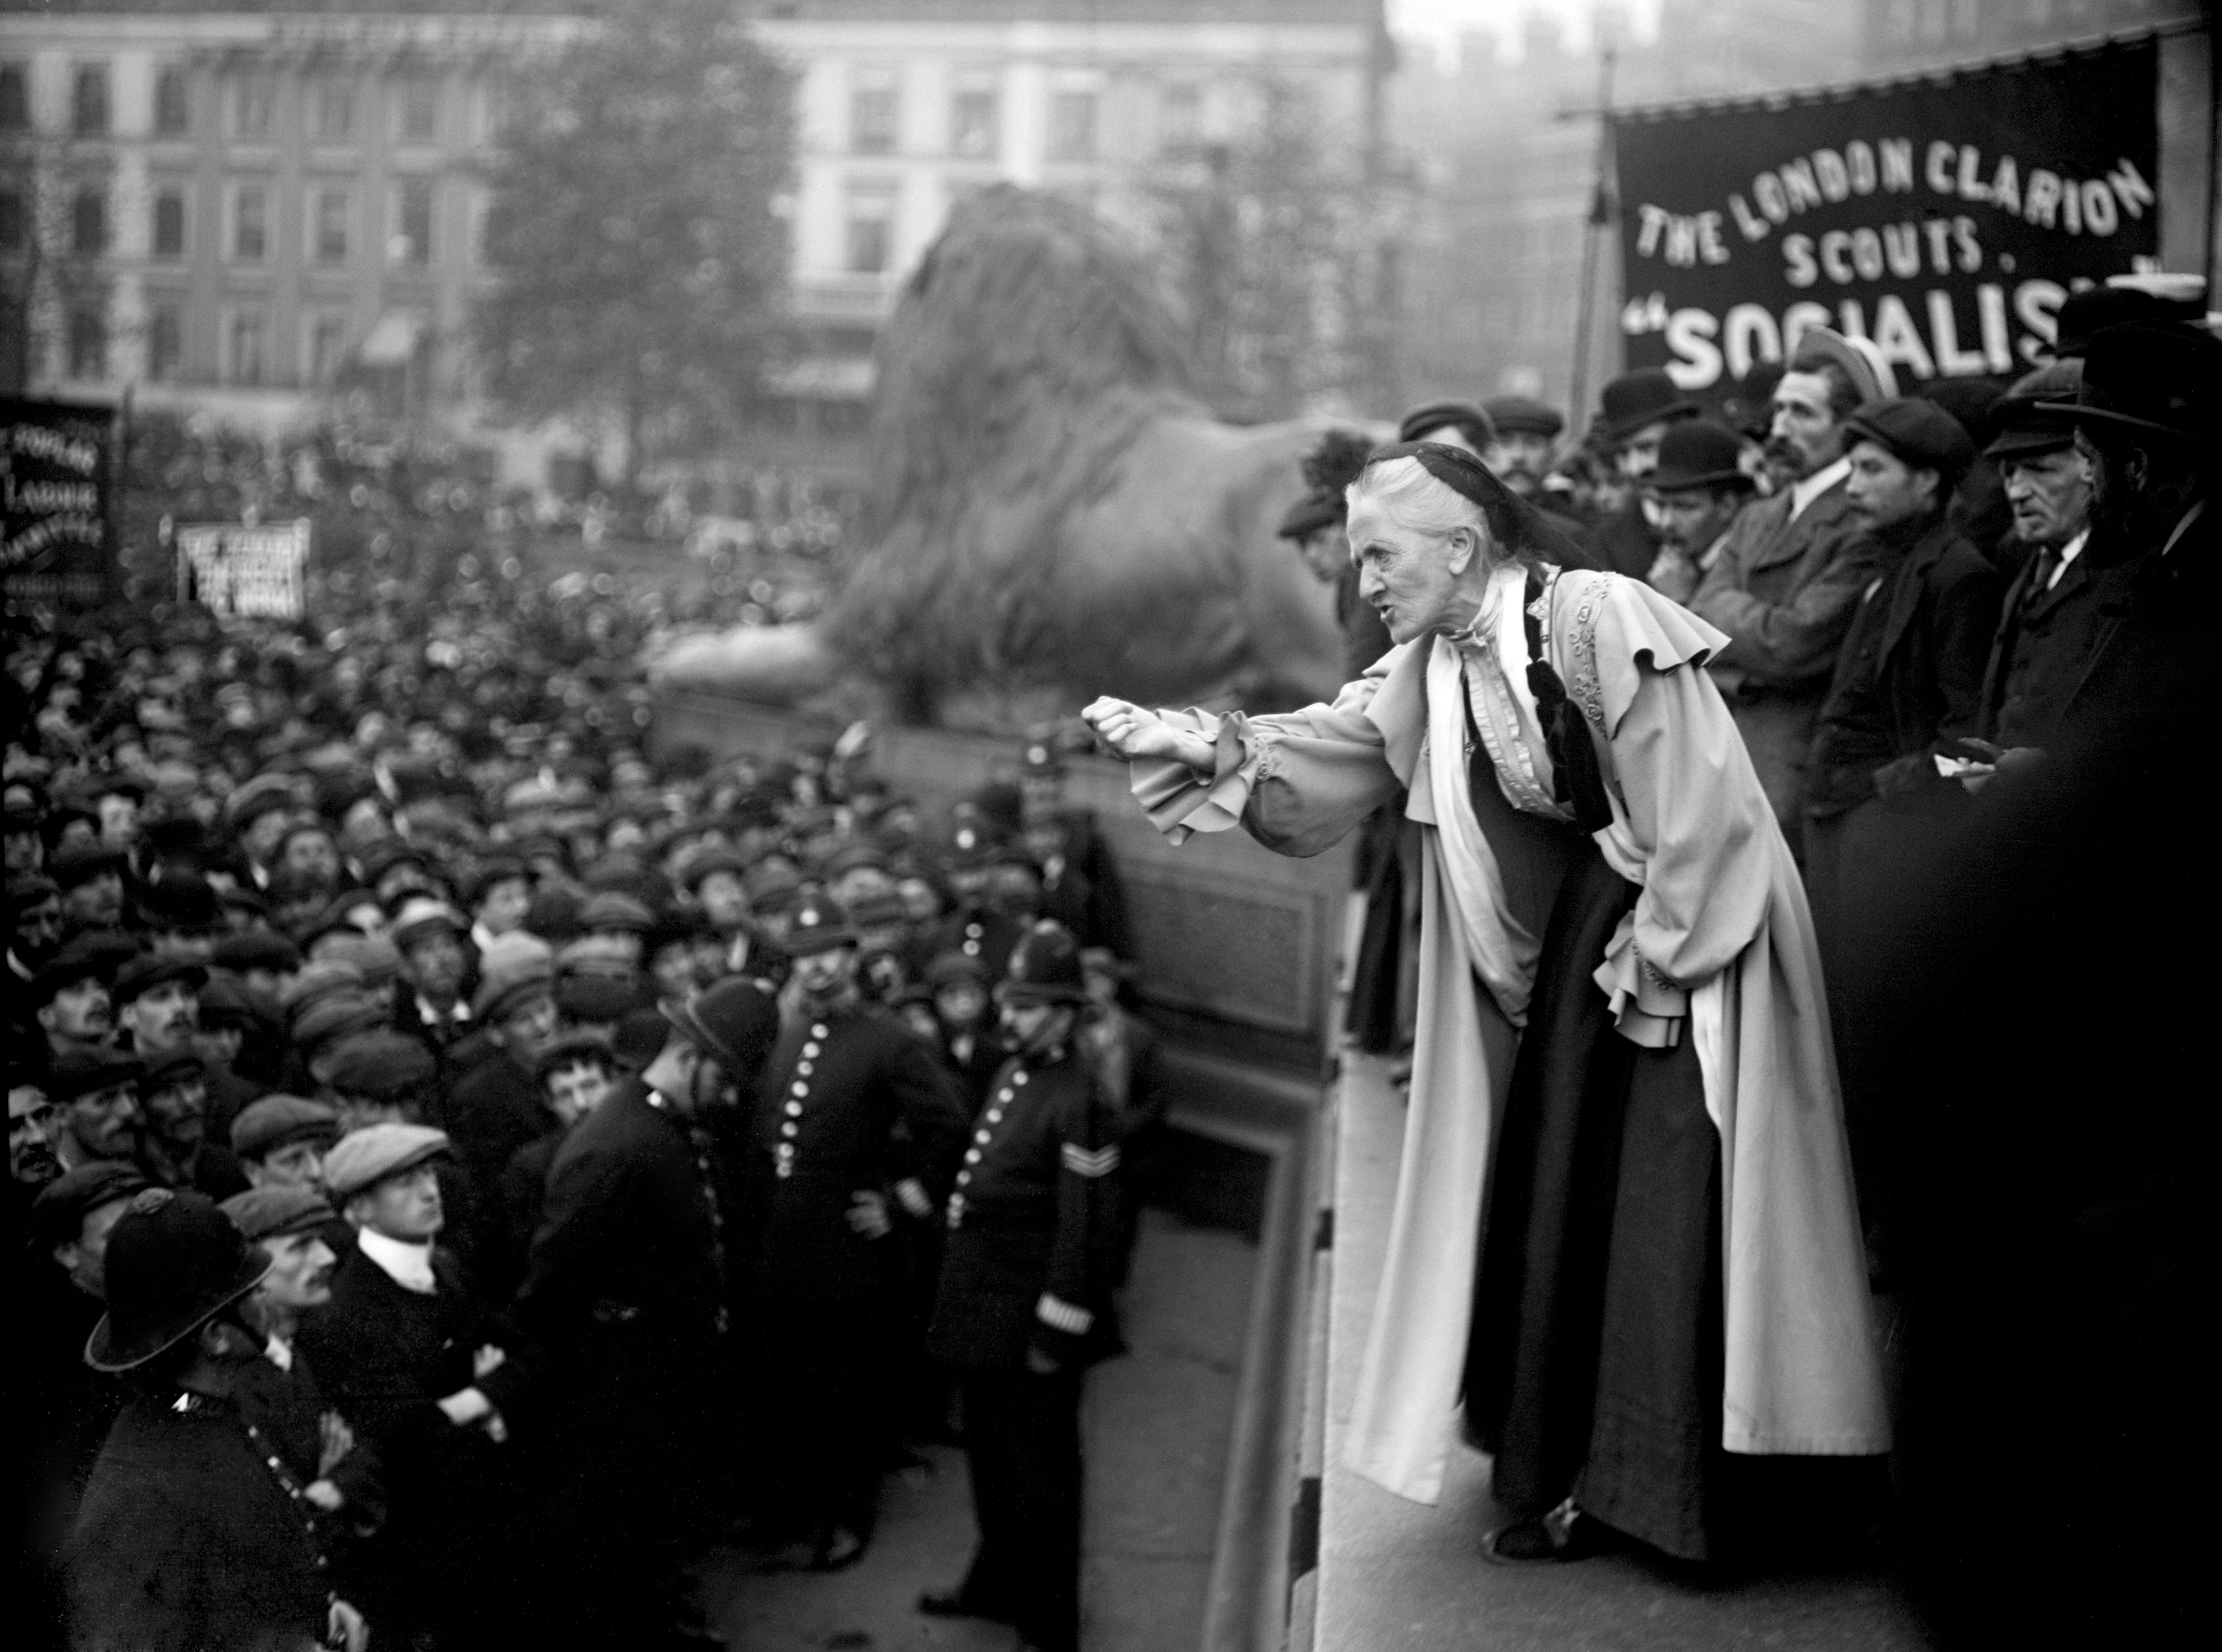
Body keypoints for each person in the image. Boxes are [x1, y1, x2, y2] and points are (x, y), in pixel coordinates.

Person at [1083, 438, 1884, 1564]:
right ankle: (1586, 1475)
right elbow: (1343, 739)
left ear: (1459, 546)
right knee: (1581, 1199)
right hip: (1597, 946)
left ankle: (1679, 1498)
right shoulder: (1441, 653)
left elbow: (1702, 815)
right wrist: (1202, 740)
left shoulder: (1600, 613)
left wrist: (1655, 968)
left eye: (1376, 556)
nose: (1361, 585)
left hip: (1699, 944)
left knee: (1667, 1206)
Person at [514, 977, 779, 1648]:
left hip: (664, 1374)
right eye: (724, 1081)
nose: (727, 1098)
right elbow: (550, 1289)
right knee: (623, 1536)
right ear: (691, 1059)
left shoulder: (666, 1122)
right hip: (619, 1386)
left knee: (660, 1522)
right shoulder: (616, 1146)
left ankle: (666, 1619)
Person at [739, 893, 970, 1570]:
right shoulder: (786, 1034)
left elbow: (951, 1127)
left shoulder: (889, 1040)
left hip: (843, 1253)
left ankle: (846, 1516)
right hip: (780, 1248)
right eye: (804, 958)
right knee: (786, 1390)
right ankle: (788, 1512)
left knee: (843, 1395)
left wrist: (904, 1203)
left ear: (850, 957)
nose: (816, 970)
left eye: (828, 955)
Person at [919, 922, 1124, 1652]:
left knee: (1042, 1479)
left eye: (1033, 1007)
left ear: (1068, 1013)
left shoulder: (1082, 1099)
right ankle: (996, 1583)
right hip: (984, 1315)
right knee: (992, 1464)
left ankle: (1048, 1619)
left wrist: (1055, 1329)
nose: (1015, 1018)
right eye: (1014, 1003)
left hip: (1029, 1324)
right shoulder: (1018, 1074)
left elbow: (1086, 1230)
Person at [62, 1188, 372, 1652]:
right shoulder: (139, 1496)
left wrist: (315, 1614)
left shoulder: (206, 1412)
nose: (263, 1295)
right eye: (248, 1292)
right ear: (217, 1336)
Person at [298, 1124, 527, 1647]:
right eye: (404, 1182)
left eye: (428, 1173)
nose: (429, 1190)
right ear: (359, 1210)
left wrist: (472, 1400)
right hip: (419, 1549)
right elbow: (403, 1434)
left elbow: (529, 1356)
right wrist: (487, 1398)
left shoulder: (445, 1266)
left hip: (484, 1525)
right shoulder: (348, 1310)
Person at [1687, 328, 1889, 832]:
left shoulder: (1860, 517)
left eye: (1802, 413)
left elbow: (1796, 644)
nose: (1780, 428)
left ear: (1848, 427)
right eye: (1779, 410)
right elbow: (1694, 617)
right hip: (1723, 747)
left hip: (1796, 765)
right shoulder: (1760, 514)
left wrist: (1729, 625)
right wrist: (1753, 634)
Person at [1588, 368, 1700, 579]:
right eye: (1622, 453)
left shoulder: (1731, 517)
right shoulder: (1605, 543)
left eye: (1647, 448)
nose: (1634, 468)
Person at [1640, 419, 1759, 606]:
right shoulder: (1675, 565)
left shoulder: (1749, 566)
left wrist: (1681, 601)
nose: (1667, 523)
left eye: (1685, 507)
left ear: (1727, 507)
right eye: (1662, 506)